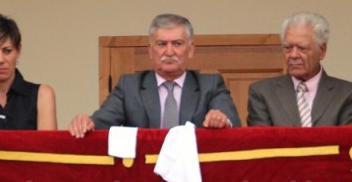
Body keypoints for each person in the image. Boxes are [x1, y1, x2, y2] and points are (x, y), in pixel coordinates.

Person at [68, 13, 240, 137]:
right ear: (150, 51)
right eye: (161, 44)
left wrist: (222, 119)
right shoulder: (129, 86)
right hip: (143, 176)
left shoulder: (210, 85)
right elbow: (102, 120)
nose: (169, 51)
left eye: (177, 43)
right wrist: (88, 122)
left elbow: (232, 120)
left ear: (190, 50)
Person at [247, 12, 352, 127]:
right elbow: (262, 143)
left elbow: (347, 143)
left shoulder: (348, 95)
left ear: (322, 50)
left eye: (302, 48)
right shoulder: (263, 93)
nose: (293, 55)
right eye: (287, 48)